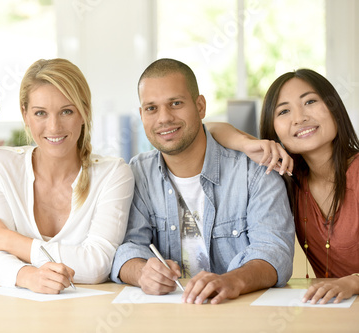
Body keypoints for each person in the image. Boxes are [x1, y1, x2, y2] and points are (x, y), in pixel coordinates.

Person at [110, 58, 295, 305]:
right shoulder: (138, 172)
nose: (164, 118)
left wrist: (232, 281)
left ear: (200, 106)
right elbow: (127, 248)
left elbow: (275, 253)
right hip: (168, 315)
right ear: (142, 115)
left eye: (175, 103)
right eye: (151, 108)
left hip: (240, 314)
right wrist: (142, 272)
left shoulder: (255, 170)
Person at [0, 58, 134, 294]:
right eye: (40, 113)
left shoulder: (114, 174)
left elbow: (98, 265)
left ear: (84, 112)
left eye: (66, 111)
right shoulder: (2, 165)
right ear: (25, 114)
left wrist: (10, 241)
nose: (54, 127)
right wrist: (29, 276)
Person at [207, 68, 359, 305]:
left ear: (334, 108)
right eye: (284, 111)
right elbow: (207, 129)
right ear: (274, 129)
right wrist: (249, 144)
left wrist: (352, 282)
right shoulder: (289, 179)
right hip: (336, 311)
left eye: (310, 101)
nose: (299, 118)